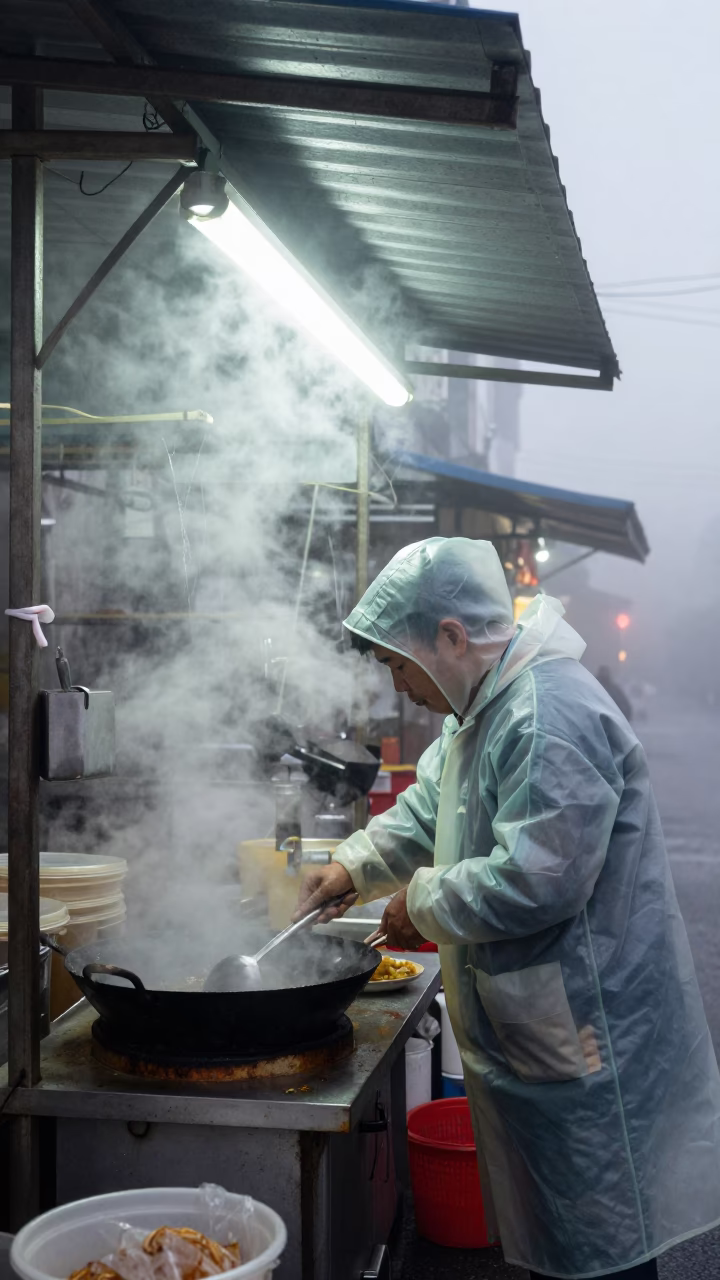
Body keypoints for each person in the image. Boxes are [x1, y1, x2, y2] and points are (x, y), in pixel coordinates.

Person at [296, 537, 720, 1280]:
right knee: (560, 1235)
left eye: (400, 663)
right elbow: (431, 806)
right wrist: (351, 865)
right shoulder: (484, 709)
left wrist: (417, 905)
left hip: (588, 1030)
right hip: (543, 1025)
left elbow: (539, 878)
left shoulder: (548, 713)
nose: (401, 686)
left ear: (451, 637)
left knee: (602, 1239)